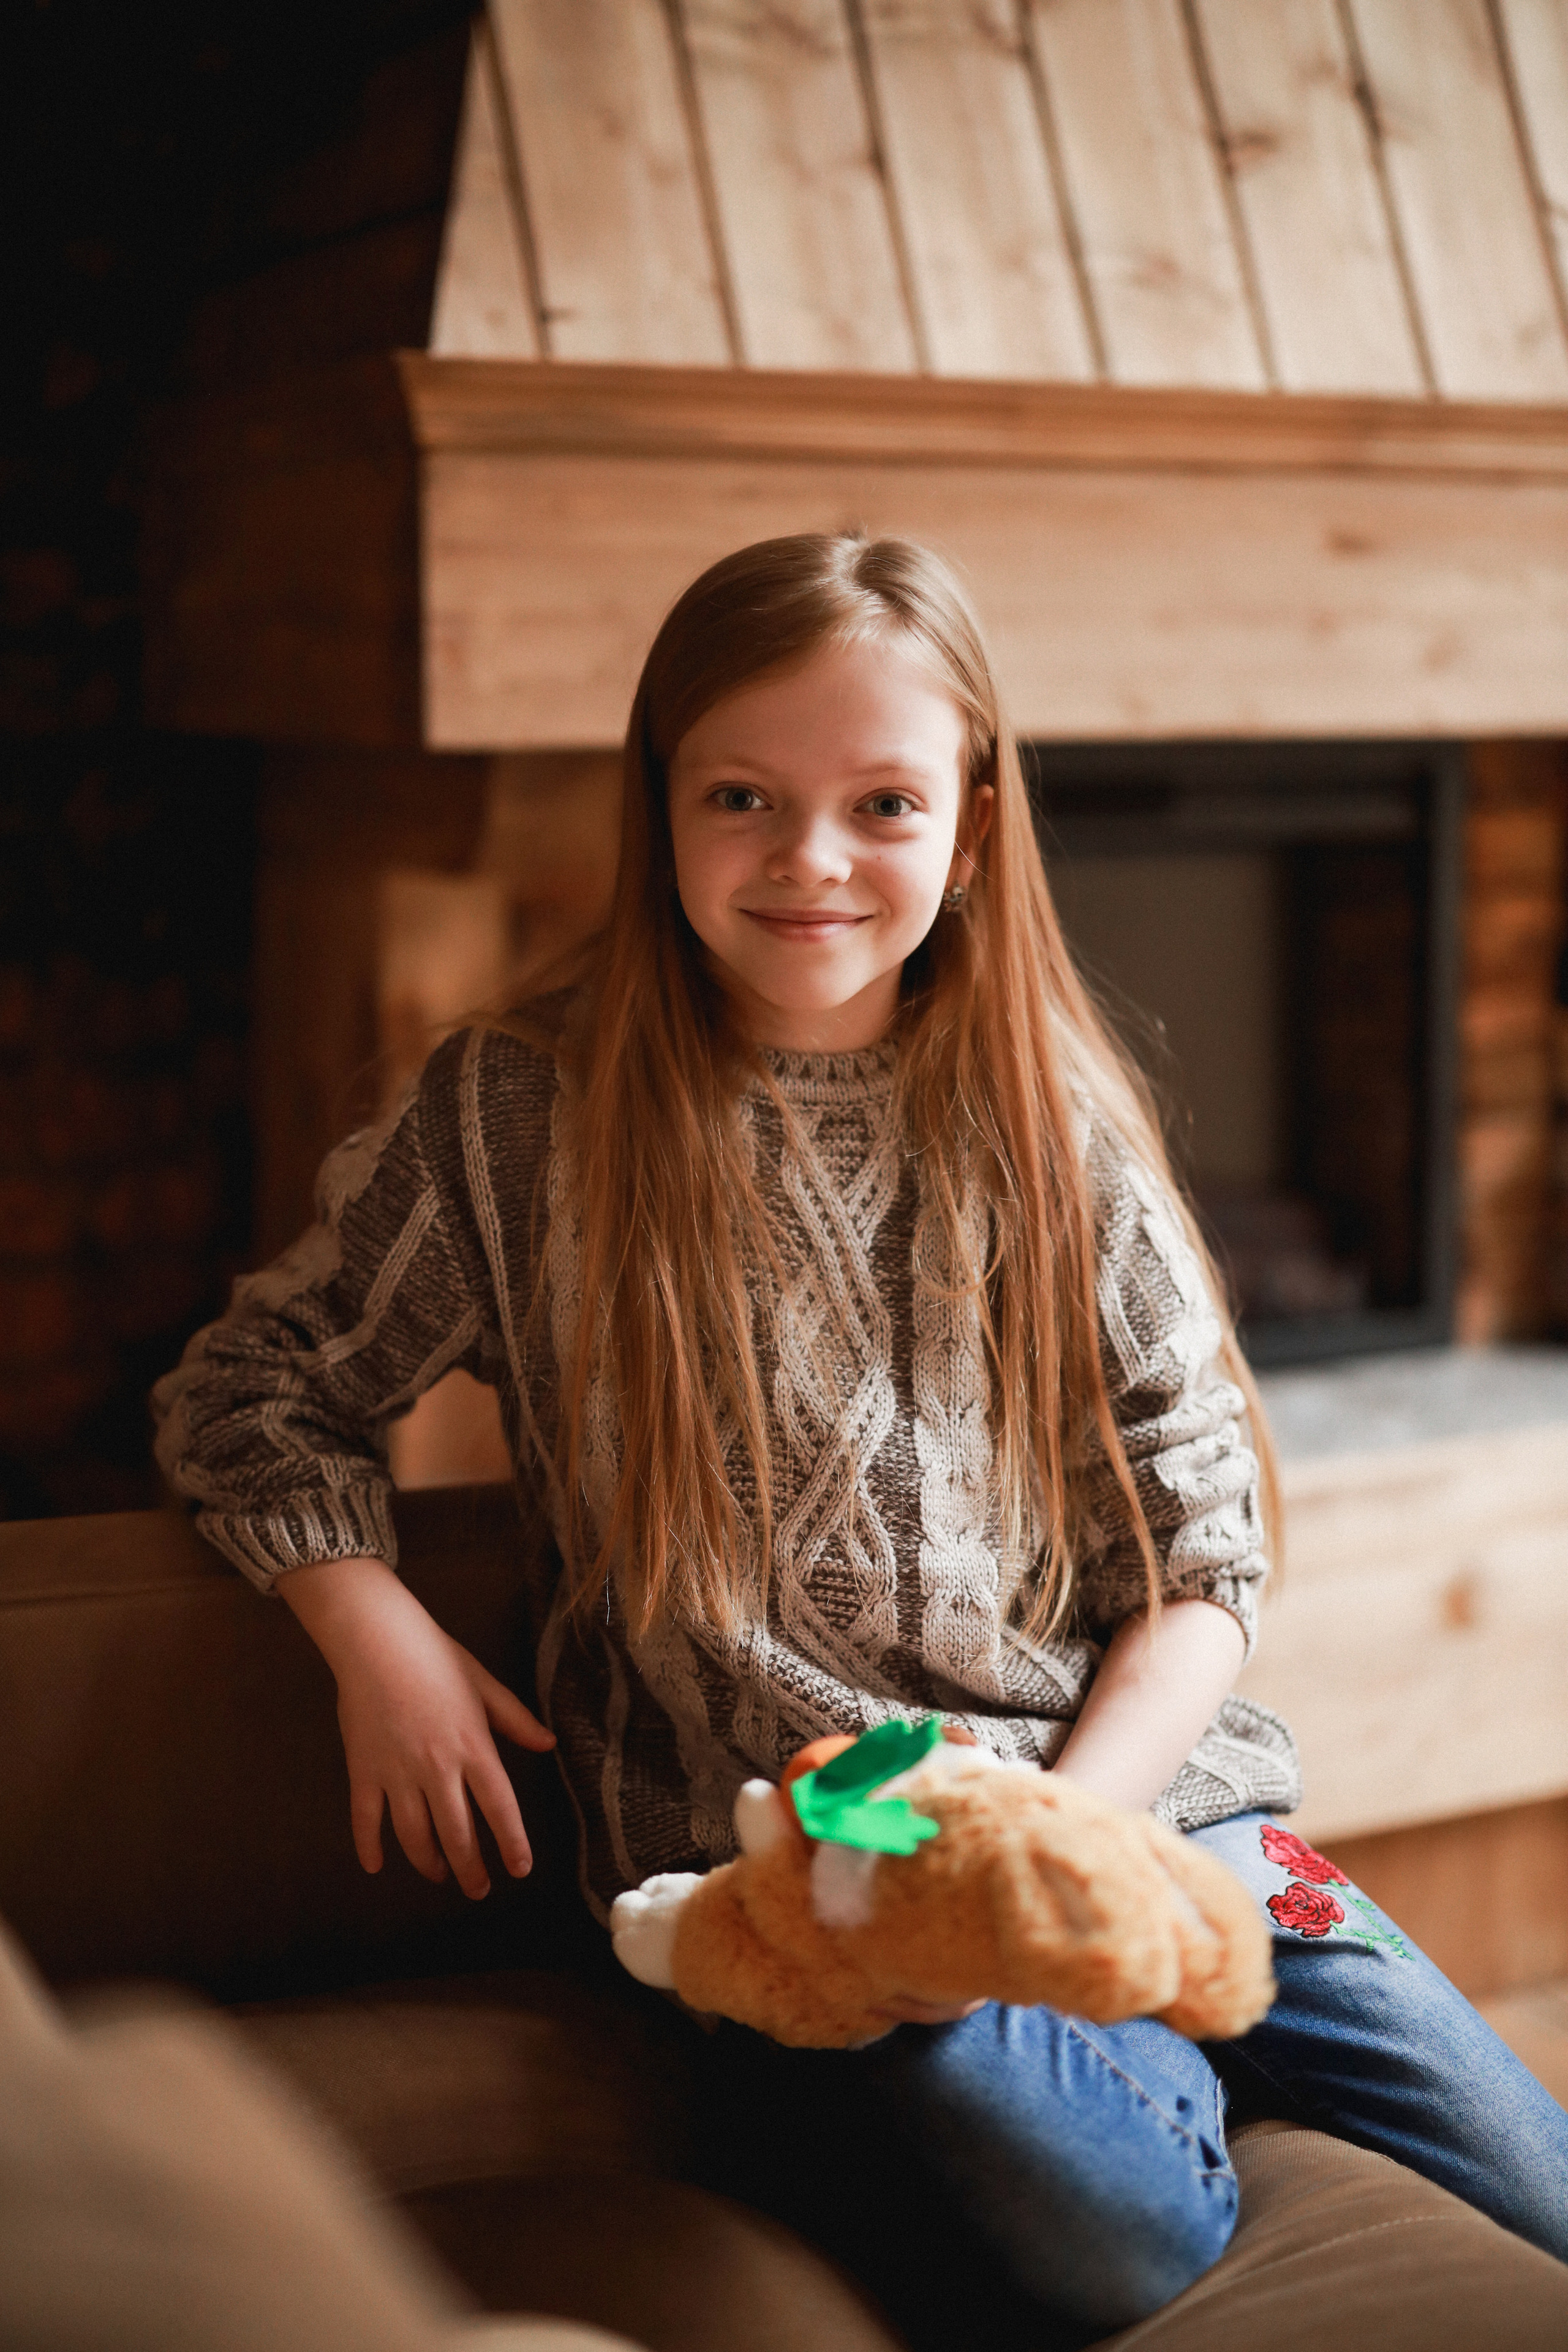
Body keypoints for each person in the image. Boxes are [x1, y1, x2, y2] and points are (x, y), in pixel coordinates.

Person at [154, 534, 1567, 2345]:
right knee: (1110, 2247)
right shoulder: (518, 1118)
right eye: (741, 794)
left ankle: (1149, 2002)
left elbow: (1204, 1555)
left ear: (972, 829)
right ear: (657, 802)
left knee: (1534, 2192)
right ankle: (1122, 2059)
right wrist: (376, 1637)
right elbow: (251, 1389)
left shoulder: (1050, 1118)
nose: (810, 860)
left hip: (1140, 1815)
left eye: (883, 802)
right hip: (822, 1899)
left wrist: (1059, 1847)